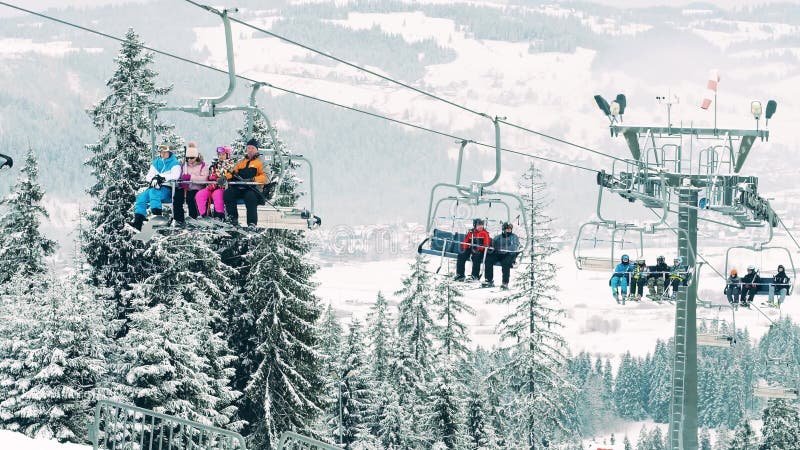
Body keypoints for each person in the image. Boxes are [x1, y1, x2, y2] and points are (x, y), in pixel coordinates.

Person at [132, 144, 181, 231]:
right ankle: (138, 221)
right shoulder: (156, 162)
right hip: (155, 187)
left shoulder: (174, 163)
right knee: (141, 197)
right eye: (162, 152)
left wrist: (161, 177)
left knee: (153, 193)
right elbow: (149, 176)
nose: (163, 154)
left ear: (170, 153)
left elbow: (175, 175)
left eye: (165, 153)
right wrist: (154, 178)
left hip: (167, 188)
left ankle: (157, 216)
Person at [223, 138, 269, 227]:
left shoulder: (261, 162)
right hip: (241, 188)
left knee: (250, 196)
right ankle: (233, 218)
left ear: (257, 149)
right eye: (248, 148)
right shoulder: (242, 162)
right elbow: (232, 172)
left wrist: (253, 179)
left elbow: (266, 177)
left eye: (252, 148)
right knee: (228, 193)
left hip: (254, 189)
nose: (250, 150)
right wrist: (225, 177)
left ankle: (252, 223)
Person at [172, 142, 208, 226]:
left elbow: (204, 178)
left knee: (191, 198)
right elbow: (179, 176)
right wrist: (181, 182)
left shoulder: (202, 166)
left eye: (192, 158)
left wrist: (190, 177)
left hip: (196, 188)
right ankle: (179, 219)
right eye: (188, 158)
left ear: (196, 157)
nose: (189, 160)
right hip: (185, 188)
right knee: (177, 197)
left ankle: (193, 217)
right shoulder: (184, 166)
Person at [196, 145, 234, 220]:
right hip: (211, 187)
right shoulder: (214, 166)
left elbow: (230, 176)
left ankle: (219, 216)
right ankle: (204, 215)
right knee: (200, 194)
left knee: (217, 194)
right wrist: (210, 178)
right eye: (219, 155)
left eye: (223, 155)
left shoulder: (231, 166)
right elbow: (208, 176)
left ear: (228, 155)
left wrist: (218, 178)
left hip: (223, 188)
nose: (221, 156)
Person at [482, 222, 520, 290]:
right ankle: (489, 280)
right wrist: (489, 247)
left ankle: (505, 283)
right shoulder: (498, 237)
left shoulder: (514, 237)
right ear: (503, 229)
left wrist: (504, 249)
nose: (508, 230)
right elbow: (493, 245)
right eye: (507, 229)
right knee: (488, 260)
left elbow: (514, 247)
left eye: (510, 229)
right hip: (498, 254)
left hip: (509, 254)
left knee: (505, 263)